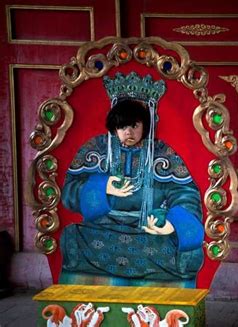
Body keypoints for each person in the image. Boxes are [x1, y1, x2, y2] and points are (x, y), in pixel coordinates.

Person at [59, 72, 204, 288]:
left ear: (145, 125)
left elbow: (186, 193)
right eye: (122, 127)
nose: (129, 132)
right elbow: (69, 193)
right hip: (104, 229)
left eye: (135, 125)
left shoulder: (162, 154)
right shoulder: (96, 150)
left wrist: (173, 224)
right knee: (72, 237)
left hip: (148, 231)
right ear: (114, 128)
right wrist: (102, 187)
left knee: (188, 251)